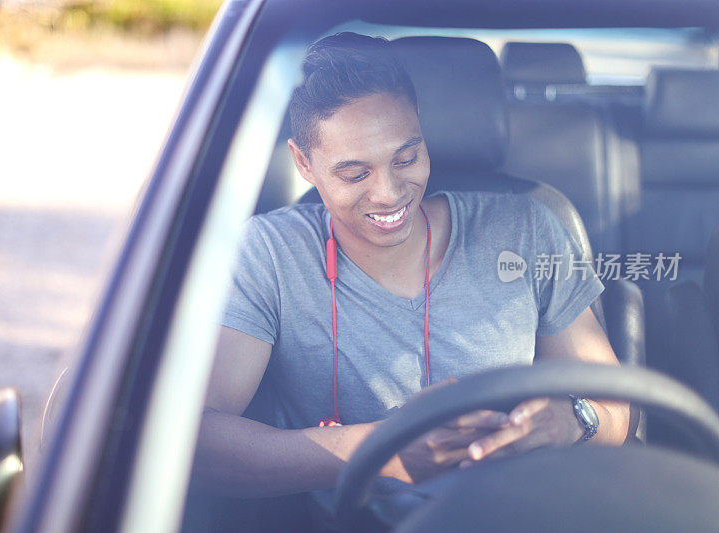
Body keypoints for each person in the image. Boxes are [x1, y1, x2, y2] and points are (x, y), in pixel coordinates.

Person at [193, 32, 629, 525]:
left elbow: (617, 409)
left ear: (422, 132)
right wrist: (383, 448)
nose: (390, 193)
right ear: (303, 163)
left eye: (406, 158)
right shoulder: (270, 253)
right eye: (355, 174)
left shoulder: (527, 228)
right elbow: (198, 442)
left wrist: (572, 420)